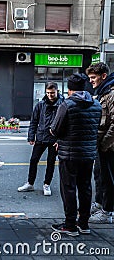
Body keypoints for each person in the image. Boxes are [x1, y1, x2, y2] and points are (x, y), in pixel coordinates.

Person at [50, 73, 101, 236]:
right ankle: (84, 223)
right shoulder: (96, 104)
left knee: (69, 188)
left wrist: (57, 135)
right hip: (88, 154)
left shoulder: (67, 104)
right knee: (85, 187)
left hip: (69, 154)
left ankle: (70, 224)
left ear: (70, 89)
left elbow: (55, 129)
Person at [18, 82, 64, 196]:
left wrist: (60, 140)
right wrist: (31, 136)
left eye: (52, 93)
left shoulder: (63, 104)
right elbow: (34, 121)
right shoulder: (40, 104)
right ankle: (30, 183)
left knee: (51, 162)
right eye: (48, 93)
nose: (50, 95)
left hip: (55, 138)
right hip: (41, 136)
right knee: (34, 160)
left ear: (57, 91)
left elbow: (65, 124)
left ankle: (46, 184)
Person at [86, 62, 114, 224]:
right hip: (102, 145)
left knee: (108, 178)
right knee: (99, 175)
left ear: (103, 76)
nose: (91, 81)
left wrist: (104, 144)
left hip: (109, 146)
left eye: (93, 77)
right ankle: (99, 203)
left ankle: (107, 211)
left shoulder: (111, 94)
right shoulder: (103, 92)